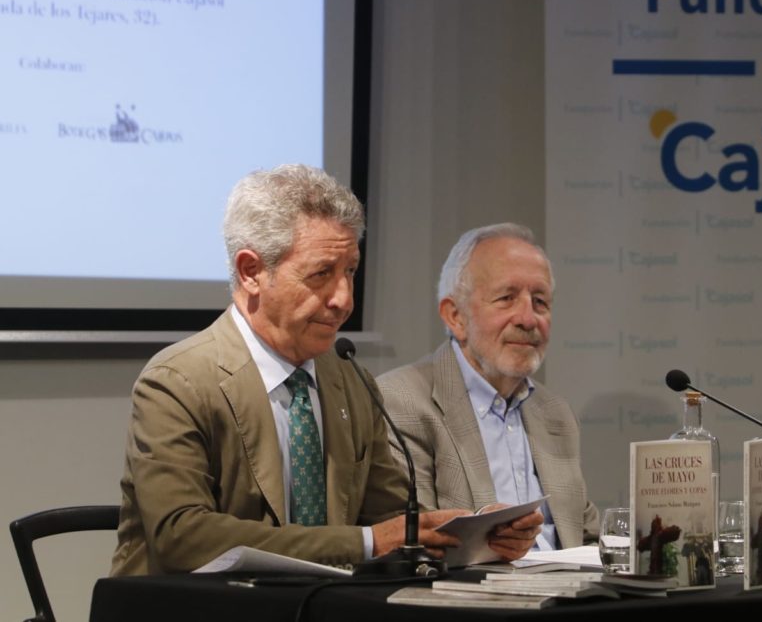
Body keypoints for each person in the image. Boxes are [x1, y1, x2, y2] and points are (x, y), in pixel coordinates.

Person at [110, 165, 538, 575]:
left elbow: (391, 518)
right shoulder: (179, 382)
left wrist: (475, 533)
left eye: (350, 271)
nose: (344, 299)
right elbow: (183, 536)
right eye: (321, 274)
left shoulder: (349, 380)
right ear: (251, 271)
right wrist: (365, 543)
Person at [377, 223, 599, 554]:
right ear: (456, 317)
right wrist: (495, 539)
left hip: (568, 599)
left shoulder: (556, 413)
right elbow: (416, 542)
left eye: (540, 301)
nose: (528, 318)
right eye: (507, 298)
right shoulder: (402, 402)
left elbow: (588, 536)